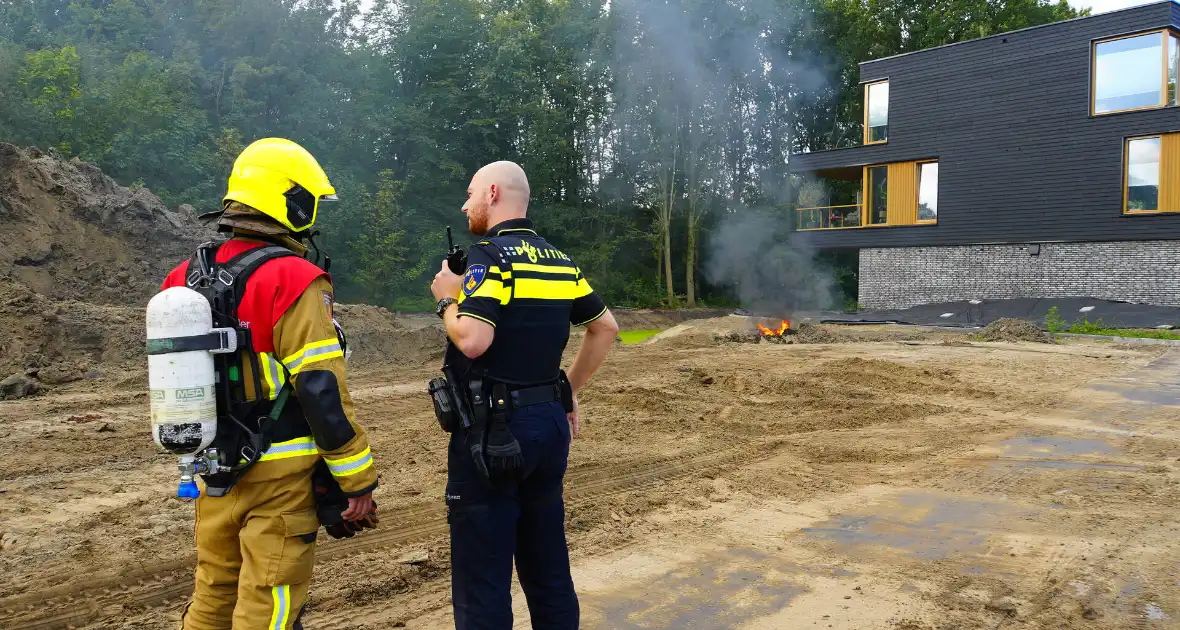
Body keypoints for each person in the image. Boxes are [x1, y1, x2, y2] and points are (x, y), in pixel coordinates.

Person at [160, 138, 379, 629]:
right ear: (293, 202)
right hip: (279, 476)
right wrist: (357, 480)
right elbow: (320, 386)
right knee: (270, 602)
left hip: (211, 467)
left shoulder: (181, 280)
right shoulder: (294, 278)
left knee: (214, 592)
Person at [430, 160, 620, 629]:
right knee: (548, 568)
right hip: (547, 429)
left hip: (492, 436)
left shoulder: (488, 257)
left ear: (492, 193)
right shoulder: (561, 260)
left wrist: (447, 298)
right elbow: (605, 328)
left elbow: (473, 339)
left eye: (471, 192)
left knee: (483, 582)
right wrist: (565, 393)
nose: (466, 203)